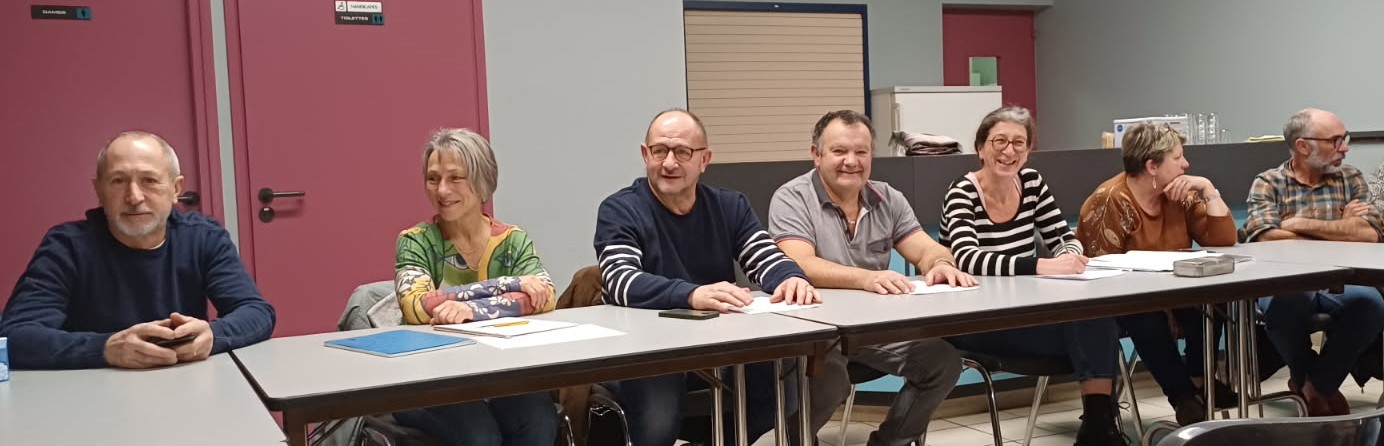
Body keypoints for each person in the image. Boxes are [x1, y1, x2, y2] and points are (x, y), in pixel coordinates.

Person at [594, 108, 817, 446]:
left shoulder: (730, 206)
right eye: (659, 151)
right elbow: (621, 281)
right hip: (647, 352)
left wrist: (790, 277)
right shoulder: (620, 210)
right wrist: (691, 295)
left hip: (718, 349)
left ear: (704, 159)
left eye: (682, 152)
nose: (669, 163)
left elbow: (764, 257)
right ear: (645, 154)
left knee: (782, 386)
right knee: (659, 415)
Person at [768, 110, 967, 446]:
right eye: (839, 151)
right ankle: (797, 440)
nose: (852, 161)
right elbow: (800, 262)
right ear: (816, 154)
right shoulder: (792, 197)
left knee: (943, 362)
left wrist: (939, 263)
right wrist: (866, 279)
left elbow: (925, 248)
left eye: (861, 151)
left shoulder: (888, 198)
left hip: (871, 329)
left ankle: (891, 442)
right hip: (815, 332)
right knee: (831, 380)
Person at [0, 131, 275, 370]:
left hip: (184, 384)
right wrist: (105, 348)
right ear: (99, 191)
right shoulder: (66, 247)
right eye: (118, 181)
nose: (134, 197)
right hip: (91, 392)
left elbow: (256, 312)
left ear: (175, 189)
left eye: (149, 180)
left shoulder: (204, 237)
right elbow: (15, 336)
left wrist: (214, 335)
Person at [937, 106, 1125, 445]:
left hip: (1025, 313)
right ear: (980, 148)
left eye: (1018, 143)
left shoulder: (1032, 183)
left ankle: (1098, 425)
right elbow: (967, 258)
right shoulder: (962, 192)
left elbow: (1064, 237)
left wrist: (1068, 256)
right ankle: (1100, 427)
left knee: (1098, 318)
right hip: (974, 319)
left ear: (1028, 150)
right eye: (999, 141)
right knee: (1097, 333)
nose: (1008, 151)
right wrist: (1043, 265)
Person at [392, 128, 558, 446]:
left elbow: (545, 295)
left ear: (483, 180)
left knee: (540, 421)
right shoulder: (414, 241)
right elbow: (416, 307)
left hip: (500, 374)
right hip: (426, 379)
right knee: (481, 436)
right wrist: (510, 285)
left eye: (456, 178)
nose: (442, 190)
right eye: (433, 178)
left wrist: (469, 308)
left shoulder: (512, 240)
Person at [1075, 122, 1238, 426]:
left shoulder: (1180, 193)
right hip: (1120, 302)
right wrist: (1164, 307)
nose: (1186, 165)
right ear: (1152, 166)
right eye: (1178, 158)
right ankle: (1183, 397)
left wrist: (1208, 189)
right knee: (1146, 317)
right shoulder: (1110, 200)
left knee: (1215, 300)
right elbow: (1104, 276)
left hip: (1171, 294)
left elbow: (1223, 240)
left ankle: (1200, 379)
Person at [1240, 108, 1384, 416]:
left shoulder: (1350, 178)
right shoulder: (1268, 182)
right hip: (1285, 279)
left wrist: (1296, 222)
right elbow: (1265, 237)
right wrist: (1340, 228)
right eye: (1335, 140)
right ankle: (1310, 381)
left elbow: (1368, 234)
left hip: (1341, 279)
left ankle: (1318, 385)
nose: (1344, 148)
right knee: (1284, 303)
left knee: (1370, 304)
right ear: (1303, 146)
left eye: (1345, 139)